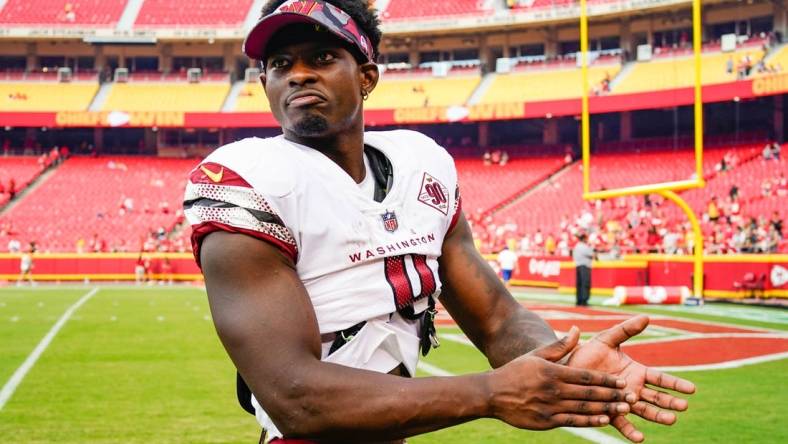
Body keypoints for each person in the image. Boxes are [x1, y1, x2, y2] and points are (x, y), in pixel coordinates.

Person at [184, 1, 694, 443]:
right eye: (280, 64)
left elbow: (497, 318)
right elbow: (297, 398)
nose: (298, 74)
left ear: (367, 76)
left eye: (322, 57)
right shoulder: (246, 179)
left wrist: (558, 358)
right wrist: (489, 393)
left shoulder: (420, 165)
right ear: (264, 83)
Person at [572, 232, 594, 306]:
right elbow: (592, 254)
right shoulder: (584, 247)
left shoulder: (576, 246)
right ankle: (584, 300)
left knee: (579, 284)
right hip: (584, 266)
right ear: (584, 239)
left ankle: (579, 300)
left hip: (578, 266)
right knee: (585, 284)